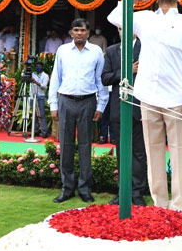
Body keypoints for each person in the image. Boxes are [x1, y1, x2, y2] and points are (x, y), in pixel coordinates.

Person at [108, 0, 182, 211]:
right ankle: (160, 205)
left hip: (177, 97)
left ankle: (178, 206)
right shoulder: (144, 19)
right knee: (153, 151)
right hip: (148, 95)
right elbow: (115, 17)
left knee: (179, 150)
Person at [48, 18, 108, 203]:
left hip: (88, 101)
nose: (79, 33)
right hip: (65, 100)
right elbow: (55, 78)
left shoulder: (96, 52)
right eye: (76, 30)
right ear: (71, 33)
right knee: (65, 145)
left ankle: (85, 188)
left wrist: (101, 105)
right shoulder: (63, 51)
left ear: (88, 33)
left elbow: (101, 80)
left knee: (85, 146)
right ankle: (67, 188)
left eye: (82, 30)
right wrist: (53, 104)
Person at [101, 27, 147, 206]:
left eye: (127, 28)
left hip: (140, 107)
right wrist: (127, 71)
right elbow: (105, 77)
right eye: (121, 28)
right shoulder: (112, 51)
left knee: (138, 152)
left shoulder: (146, 49)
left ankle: (137, 192)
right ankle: (123, 191)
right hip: (118, 109)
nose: (124, 31)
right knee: (122, 152)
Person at [29, 60, 50, 138]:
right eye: (37, 66)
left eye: (40, 66)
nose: (38, 67)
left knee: (42, 114)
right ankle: (35, 131)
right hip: (32, 96)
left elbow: (43, 86)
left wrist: (35, 82)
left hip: (40, 97)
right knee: (34, 115)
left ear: (42, 67)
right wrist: (25, 67)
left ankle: (44, 132)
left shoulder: (45, 76)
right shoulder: (33, 74)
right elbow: (23, 76)